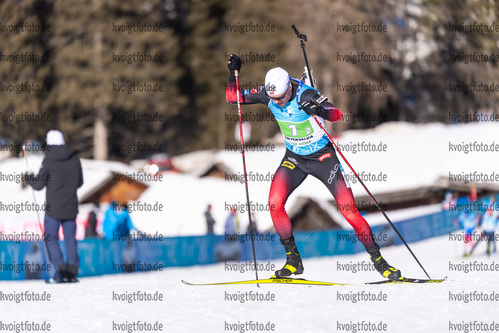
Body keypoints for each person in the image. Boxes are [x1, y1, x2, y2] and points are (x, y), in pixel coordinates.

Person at [225, 54, 401, 280]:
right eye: (273, 99)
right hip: (295, 159)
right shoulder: (269, 93)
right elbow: (233, 98)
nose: (276, 102)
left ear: (289, 88)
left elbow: (336, 114)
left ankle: (380, 262)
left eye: (280, 98)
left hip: (323, 158)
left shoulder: (306, 94)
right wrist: (233, 73)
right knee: (274, 204)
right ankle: (293, 261)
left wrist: (318, 108)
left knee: (349, 211)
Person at [25, 130, 83, 283]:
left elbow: (38, 185)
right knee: (70, 239)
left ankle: (60, 271)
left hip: (53, 210)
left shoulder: (49, 161)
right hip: (70, 208)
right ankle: (72, 272)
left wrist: (29, 178)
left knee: (51, 239)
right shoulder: (75, 160)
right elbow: (80, 183)